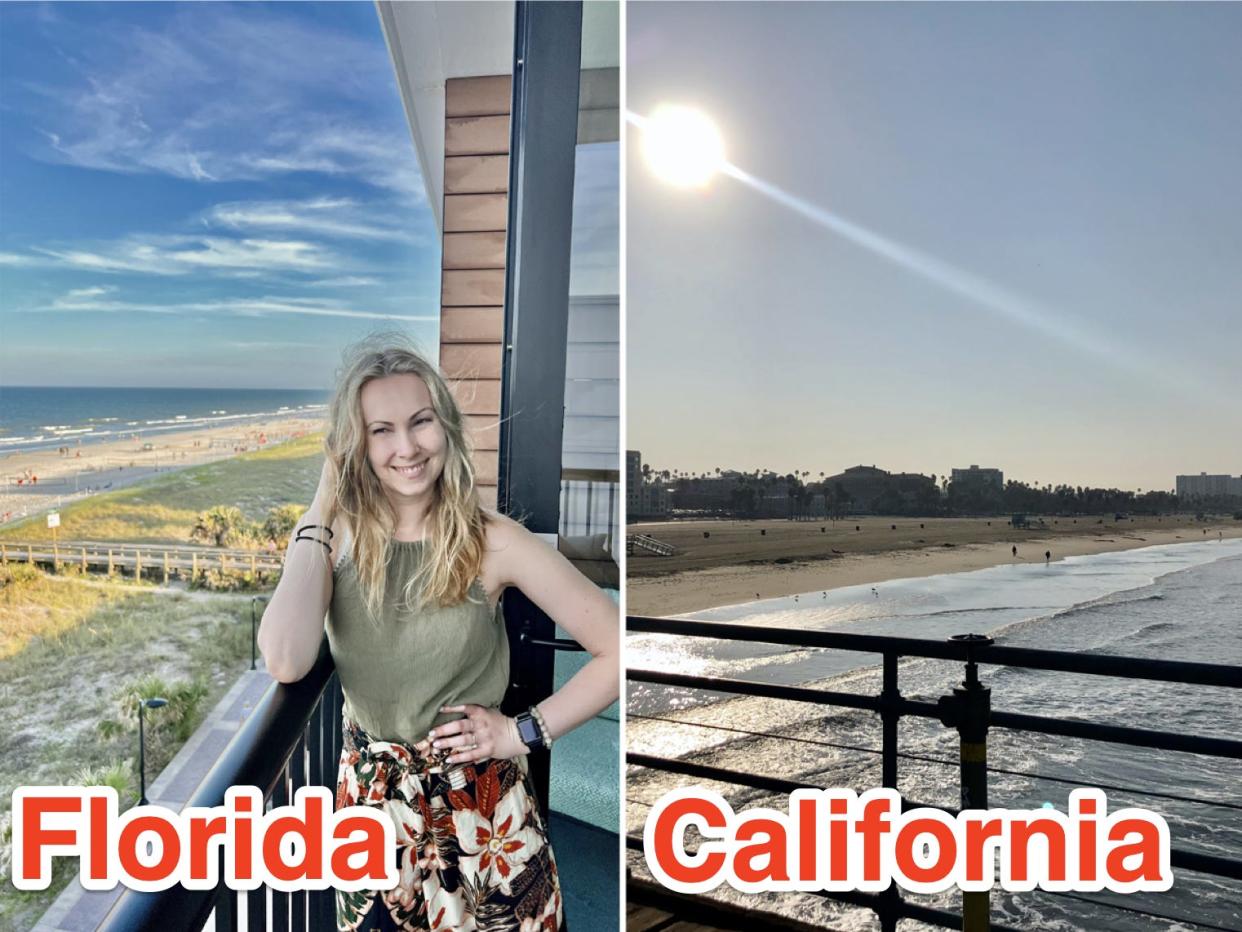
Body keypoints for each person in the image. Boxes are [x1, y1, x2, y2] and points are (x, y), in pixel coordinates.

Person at [258, 340, 618, 931]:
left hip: (485, 817)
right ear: (355, 445)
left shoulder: (491, 541)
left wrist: (521, 731)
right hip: (374, 823)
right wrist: (323, 499)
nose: (407, 448)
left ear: (444, 426)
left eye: (421, 421)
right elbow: (285, 659)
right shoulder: (337, 541)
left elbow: (617, 648)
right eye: (381, 430)